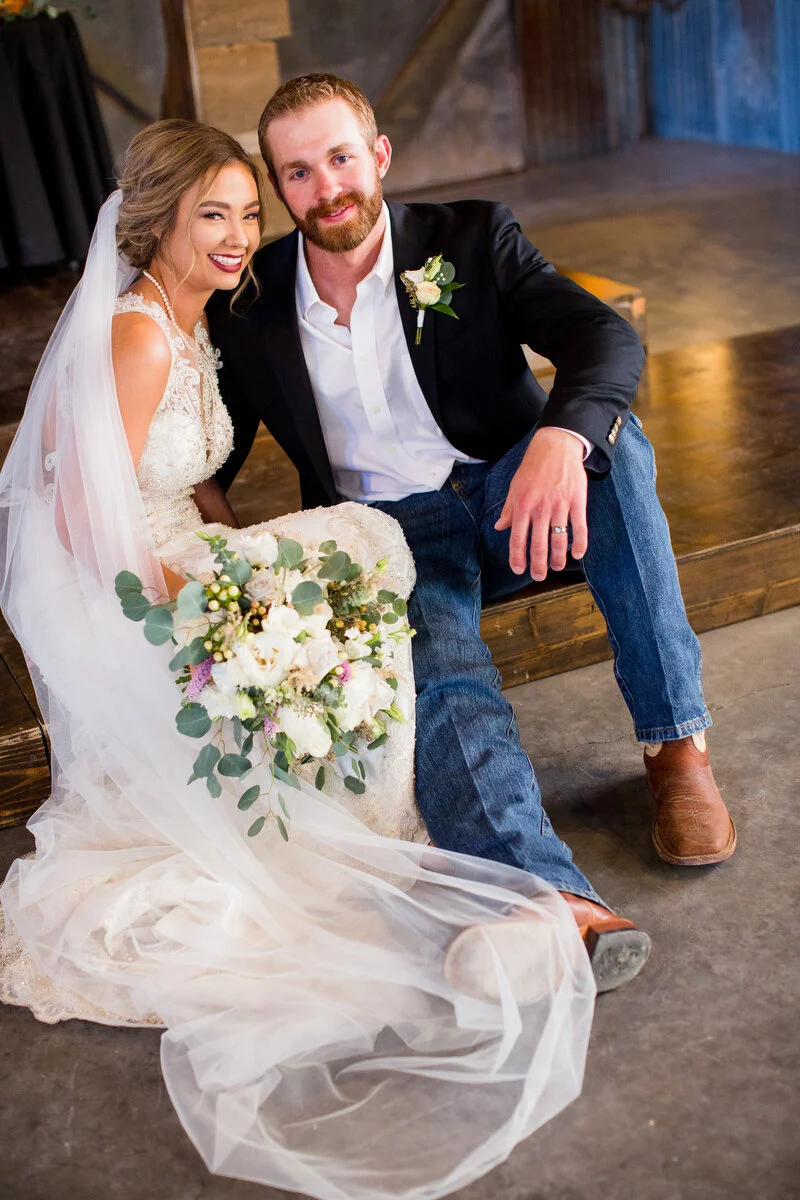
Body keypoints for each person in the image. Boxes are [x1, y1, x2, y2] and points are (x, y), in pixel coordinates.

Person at [0, 119, 597, 1200]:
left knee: (359, 554)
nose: (237, 239)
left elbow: (181, 481)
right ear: (157, 221)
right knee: (366, 544)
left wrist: (232, 544)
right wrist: (223, 599)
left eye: (245, 214)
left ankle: (411, 756)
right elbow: (89, 521)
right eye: (210, 216)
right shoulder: (137, 334)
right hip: (128, 587)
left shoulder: (194, 318)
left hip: (174, 549)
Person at [207, 73, 736, 942]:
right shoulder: (252, 301)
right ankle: (550, 900)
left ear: (378, 155)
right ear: (277, 187)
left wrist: (561, 441)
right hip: (382, 533)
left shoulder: (472, 237)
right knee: (444, 674)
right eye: (298, 172)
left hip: (508, 496)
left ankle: (677, 745)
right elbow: (212, 455)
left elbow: (605, 336)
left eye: (341, 157)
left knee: (617, 449)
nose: (327, 187)